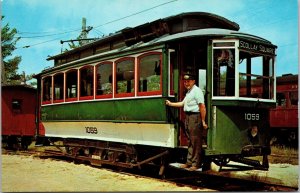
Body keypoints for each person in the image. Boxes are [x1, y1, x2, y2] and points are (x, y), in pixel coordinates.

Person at [165, 72, 208, 171]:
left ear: (193, 81)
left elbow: (202, 107)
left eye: (188, 81)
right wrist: (170, 104)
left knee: (196, 142)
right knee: (190, 141)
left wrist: (203, 121)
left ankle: (196, 164)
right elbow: (182, 104)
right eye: (185, 81)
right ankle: (189, 162)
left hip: (195, 117)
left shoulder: (197, 91)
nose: (186, 83)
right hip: (188, 117)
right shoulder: (189, 92)